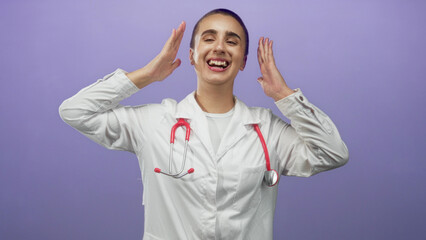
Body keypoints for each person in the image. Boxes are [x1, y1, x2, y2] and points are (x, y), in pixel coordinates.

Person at [59, 8, 349, 240]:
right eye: (209, 39)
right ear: (191, 56)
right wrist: (147, 75)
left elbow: (332, 153)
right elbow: (75, 111)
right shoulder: (154, 122)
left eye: (232, 41)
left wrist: (284, 96)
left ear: (243, 61)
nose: (220, 47)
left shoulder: (266, 130)